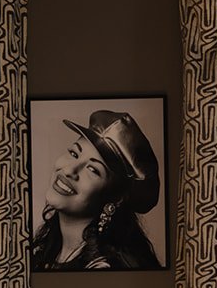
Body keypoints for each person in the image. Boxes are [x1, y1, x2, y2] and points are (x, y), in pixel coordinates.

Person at [30, 108, 163, 270]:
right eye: (74, 153)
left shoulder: (110, 267)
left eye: (93, 170)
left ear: (115, 197)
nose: (69, 170)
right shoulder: (44, 249)